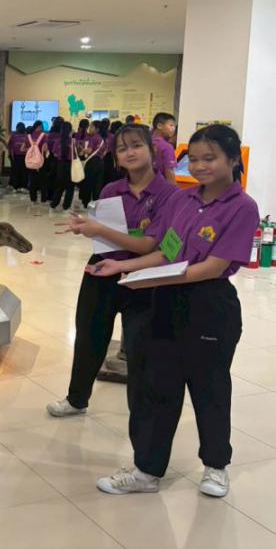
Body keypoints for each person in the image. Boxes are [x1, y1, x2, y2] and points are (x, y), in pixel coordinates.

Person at [93, 124, 259, 498]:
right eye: (194, 159)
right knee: (158, 389)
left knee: (209, 388)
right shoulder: (184, 200)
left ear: (233, 159)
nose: (200, 167)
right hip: (167, 303)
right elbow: (166, 252)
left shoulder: (242, 207)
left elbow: (213, 267)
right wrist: (123, 266)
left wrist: (153, 280)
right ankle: (147, 470)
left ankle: (216, 466)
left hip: (210, 306)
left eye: (209, 158)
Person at [46, 124, 178, 425]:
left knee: (141, 347)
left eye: (136, 145)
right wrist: (88, 229)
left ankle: (143, 417)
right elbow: (104, 239)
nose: (129, 153)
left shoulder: (169, 195)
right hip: (102, 270)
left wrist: (100, 230)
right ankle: (77, 399)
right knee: (88, 337)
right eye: (122, 148)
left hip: (145, 278)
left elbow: (149, 246)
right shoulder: (110, 190)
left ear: (152, 150)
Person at [77, 120, 107, 208]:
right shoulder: (102, 139)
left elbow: (89, 151)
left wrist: (81, 149)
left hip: (92, 162)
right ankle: (96, 202)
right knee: (97, 184)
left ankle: (86, 202)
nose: (89, 129)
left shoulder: (93, 138)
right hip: (100, 163)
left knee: (88, 183)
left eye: (91, 127)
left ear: (97, 129)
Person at [49, 121, 76, 211]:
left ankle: (54, 204)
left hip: (60, 165)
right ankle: (66, 206)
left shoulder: (58, 141)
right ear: (70, 130)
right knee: (70, 186)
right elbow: (77, 154)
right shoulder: (73, 141)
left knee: (60, 185)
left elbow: (54, 154)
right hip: (71, 165)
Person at [27, 120, 49, 206]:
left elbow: (23, 148)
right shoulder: (44, 136)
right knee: (43, 180)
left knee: (32, 180)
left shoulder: (29, 136)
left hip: (31, 161)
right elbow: (46, 149)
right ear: (40, 126)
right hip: (41, 161)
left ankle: (33, 199)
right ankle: (43, 199)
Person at [151, 112, 178, 183]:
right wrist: (175, 189)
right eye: (171, 125)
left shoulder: (145, 142)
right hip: (160, 186)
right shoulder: (167, 147)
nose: (173, 129)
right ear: (159, 126)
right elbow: (170, 172)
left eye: (174, 126)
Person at [8, 122, 29, 193]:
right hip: (25, 156)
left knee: (15, 172)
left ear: (17, 128)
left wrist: (12, 158)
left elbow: (11, 148)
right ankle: (23, 187)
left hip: (16, 156)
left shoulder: (13, 136)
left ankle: (15, 187)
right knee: (24, 172)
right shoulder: (26, 137)